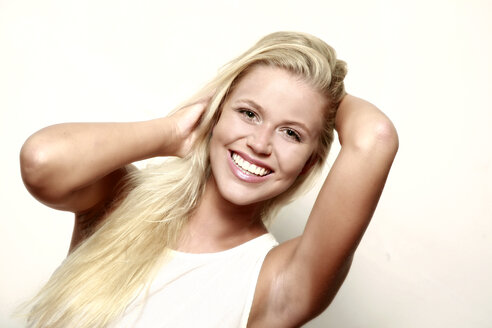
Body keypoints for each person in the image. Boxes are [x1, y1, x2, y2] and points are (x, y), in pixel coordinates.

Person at [18, 31, 398, 327]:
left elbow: (375, 137)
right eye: (249, 113)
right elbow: (42, 160)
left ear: (308, 164)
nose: (260, 143)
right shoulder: (117, 198)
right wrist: (171, 133)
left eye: (292, 134)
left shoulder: (275, 282)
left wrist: (327, 93)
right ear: (215, 114)